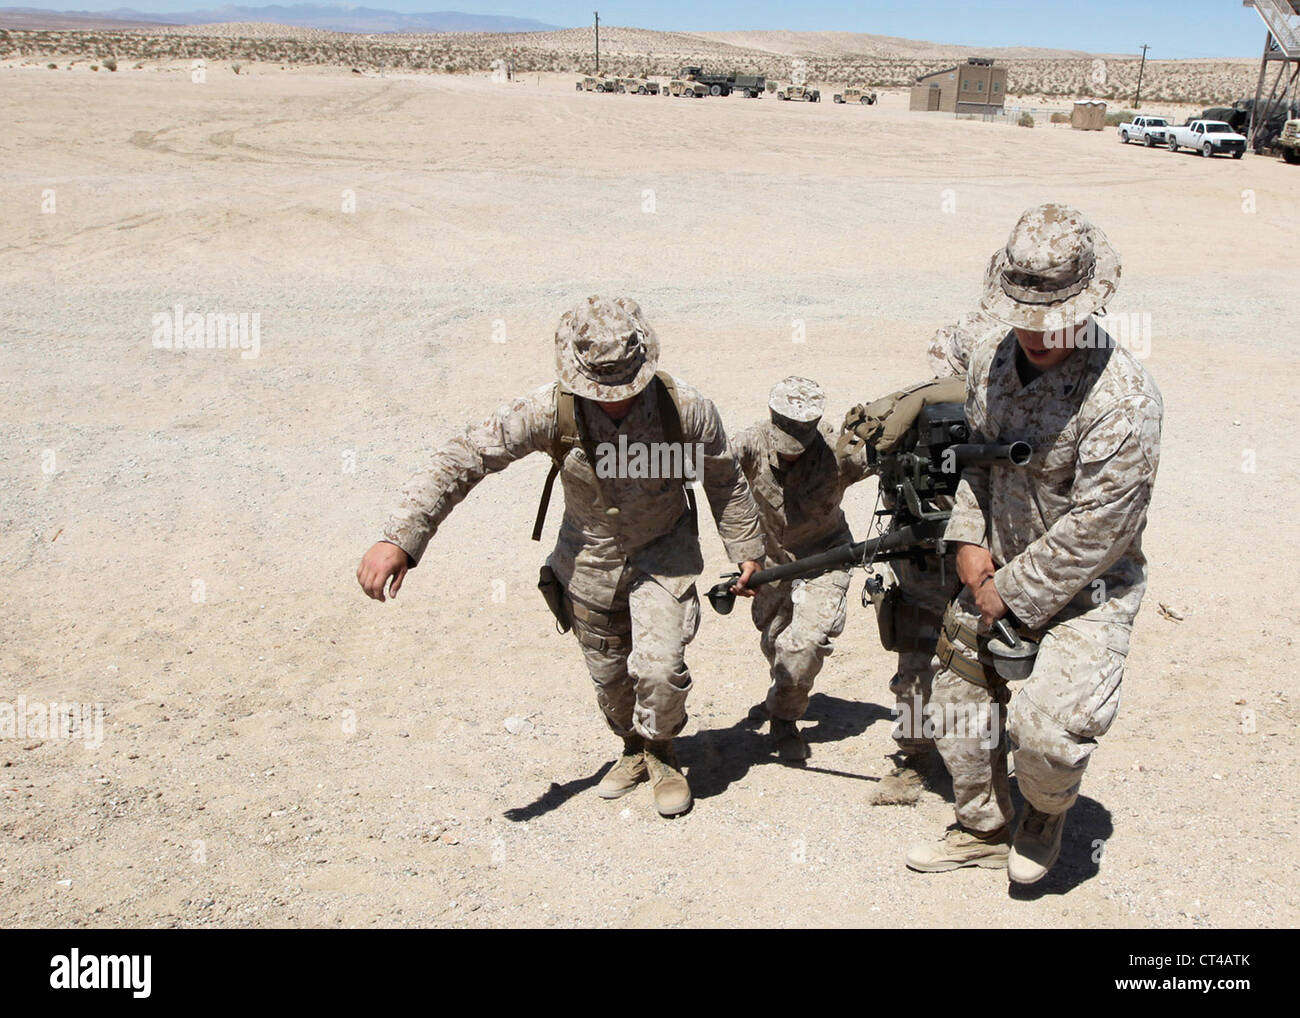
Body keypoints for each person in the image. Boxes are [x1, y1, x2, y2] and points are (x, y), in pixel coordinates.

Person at [356, 295, 765, 818]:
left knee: (660, 668)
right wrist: (402, 537)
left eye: (625, 387)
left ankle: (662, 752)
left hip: (665, 553)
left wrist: (747, 550)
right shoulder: (550, 410)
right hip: (589, 560)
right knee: (611, 679)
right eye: (601, 389)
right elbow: (465, 457)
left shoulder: (686, 409)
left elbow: (725, 482)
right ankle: (633, 746)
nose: (614, 399)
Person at [904, 204, 1162, 883]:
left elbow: (1097, 532)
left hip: (1087, 593)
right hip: (994, 571)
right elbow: (977, 460)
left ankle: (1044, 812)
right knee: (956, 700)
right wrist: (965, 538)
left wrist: (1002, 593)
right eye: (1026, 312)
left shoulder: (1124, 399)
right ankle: (981, 826)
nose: (1039, 332)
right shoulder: (992, 357)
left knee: (1049, 734)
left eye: (1056, 317)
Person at [871, 309, 1007, 806]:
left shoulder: (1003, 419)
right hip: (938, 565)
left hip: (972, 569)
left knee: (957, 666)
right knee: (927, 664)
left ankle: (963, 765)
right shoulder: (921, 418)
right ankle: (914, 757)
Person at [729, 377, 872, 761]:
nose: (793, 454)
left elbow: (893, 462)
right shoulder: (749, 444)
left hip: (827, 558)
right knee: (776, 644)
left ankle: (783, 719)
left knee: (802, 645)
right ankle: (785, 691)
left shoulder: (839, 452)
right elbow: (708, 473)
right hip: (772, 564)